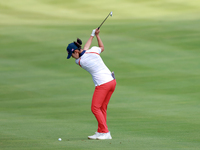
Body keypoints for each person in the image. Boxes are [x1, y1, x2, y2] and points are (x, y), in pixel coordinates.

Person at [66, 28, 116, 140]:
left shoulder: (80, 61)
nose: (72, 57)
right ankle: (101, 131)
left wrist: (92, 35)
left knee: (95, 108)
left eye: (71, 54)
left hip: (103, 84)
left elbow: (84, 49)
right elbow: (99, 48)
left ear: (76, 51)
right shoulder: (93, 50)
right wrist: (95, 35)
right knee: (102, 108)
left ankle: (106, 132)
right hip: (112, 82)